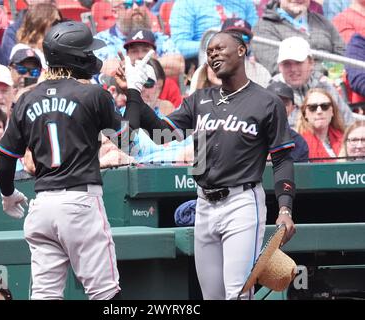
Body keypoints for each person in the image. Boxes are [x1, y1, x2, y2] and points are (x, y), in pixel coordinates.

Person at [120, 30, 296, 299]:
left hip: (242, 201)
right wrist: (134, 91)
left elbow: (283, 159)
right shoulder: (199, 100)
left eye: (219, 48)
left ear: (241, 50)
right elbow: (161, 132)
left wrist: (285, 208)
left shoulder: (267, 101)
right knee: (212, 296)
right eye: (209, 51)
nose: (213, 53)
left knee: (236, 293)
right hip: (204, 203)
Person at [0, 21, 133, 300]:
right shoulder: (95, 95)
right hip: (80, 203)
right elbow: (125, 141)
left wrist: (8, 194)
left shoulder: (25, 99)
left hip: (41, 207)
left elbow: (6, 161)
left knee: (45, 295)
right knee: (106, 294)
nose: (92, 55)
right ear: (76, 56)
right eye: (87, 51)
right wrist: (131, 93)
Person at [252, 0, 345, 76]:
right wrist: (326, 69)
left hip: (333, 84)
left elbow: (344, 55)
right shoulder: (263, 27)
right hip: (291, 92)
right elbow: (277, 67)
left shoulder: (323, 22)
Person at [296, 88, 345, 162]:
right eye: (312, 107)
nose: (319, 111)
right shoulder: (297, 144)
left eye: (325, 106)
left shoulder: (346, 139)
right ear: (305, 113)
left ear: (332, 111)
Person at [267, 81, 309, 162]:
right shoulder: (247, 134)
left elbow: (300, 173)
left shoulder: (299, 143)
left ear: (292, 108)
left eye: (284, 103)